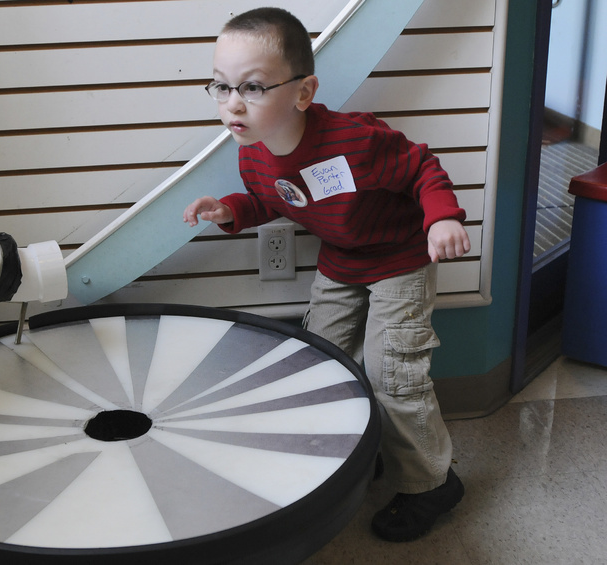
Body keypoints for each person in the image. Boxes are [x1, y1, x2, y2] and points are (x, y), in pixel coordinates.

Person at [183, 7, 470, 543]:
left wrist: (443, 217)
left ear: (302, 92)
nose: (232, 104)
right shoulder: (253, 155)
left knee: (392, 377)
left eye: (252, 87)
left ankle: (432, 483)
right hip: (340, 261)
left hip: (400, 261)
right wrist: (231, 212)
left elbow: (421, 167)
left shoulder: (356, 141)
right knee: (322, 364)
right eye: (220, 87)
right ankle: (368, 449)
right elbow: (270, 199)